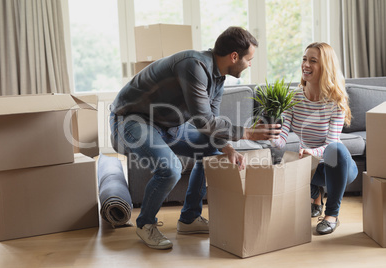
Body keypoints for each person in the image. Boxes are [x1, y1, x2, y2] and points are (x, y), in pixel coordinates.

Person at [109, 26, 281, 250]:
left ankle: (189, 218)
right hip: (131, 121)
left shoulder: (218, 79)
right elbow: (203, 121)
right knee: (170, 169)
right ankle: (145, 224)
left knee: (212, 151)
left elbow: (211, 123)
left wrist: (227, 147)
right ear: (234, 56)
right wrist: (247, 133)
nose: (250, 64)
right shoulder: (193, 64)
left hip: (168, 126)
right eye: (249, 59)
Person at [271, 42, 358, 235]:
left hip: (338, 168)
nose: (305, 65)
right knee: (287, 159)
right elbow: (282, 138)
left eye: (313, 61)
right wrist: (272, 135)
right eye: (304, 59)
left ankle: (331, 215)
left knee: (336, 150)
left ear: (325, 67)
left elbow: (331, 143)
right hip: (311, 167)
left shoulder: (335, 102)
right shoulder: (293, 98)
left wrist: (313, 152)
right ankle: (316, 195)